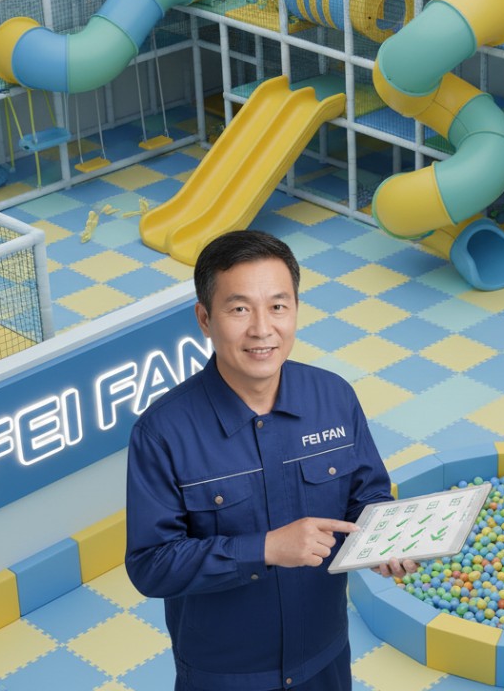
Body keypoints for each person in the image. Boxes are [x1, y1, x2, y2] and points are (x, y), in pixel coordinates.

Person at [125, 229, 417, 691]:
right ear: (204, 318)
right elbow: (151, 564)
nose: (262, 328)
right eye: (239, 308)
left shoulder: (334, 397)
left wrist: (386, 539)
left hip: (325, 657)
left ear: (296, 310)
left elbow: (368, 494)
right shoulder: (162, 432)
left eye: (278, 306)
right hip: (224, 675)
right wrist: (264, 549)